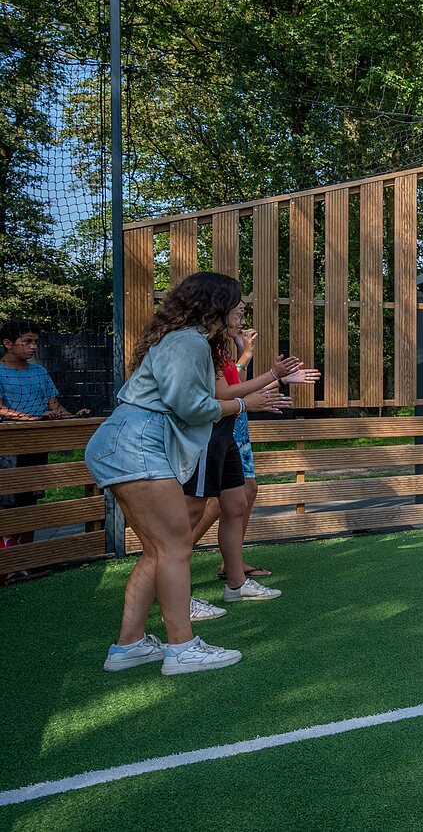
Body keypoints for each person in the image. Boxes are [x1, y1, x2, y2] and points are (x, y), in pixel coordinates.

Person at [85, 272, 290, 675]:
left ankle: (129, 646)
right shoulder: (188, 342)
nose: (242, 308)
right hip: (135, 446)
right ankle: (182, 649)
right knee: (176, 546)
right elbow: (193, 407)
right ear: (215, 305)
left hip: (130, 444)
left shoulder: (188, 341)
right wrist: (249, 405)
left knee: (159, 550)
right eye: (237, 302)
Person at [183, 331, 318, 620]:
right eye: (237, 309)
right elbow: (228, 392)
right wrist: (273, 375)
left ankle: (235, 579)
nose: (241, 316)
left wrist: (276, 377)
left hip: (230, 429)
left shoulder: (219, 347)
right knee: (200, 509)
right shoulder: (199, 344)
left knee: (239, 499)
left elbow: (235, 385)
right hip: (214, 429)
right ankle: (175, 576)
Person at [0, 319, 91, 547]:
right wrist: (34, 419)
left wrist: (73, 416)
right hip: (8, 447)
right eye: (27, 341)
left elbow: (53, 406)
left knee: (31, 499)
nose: (33, 347)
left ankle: (28, 558)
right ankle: (7, 562)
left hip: (37, 444)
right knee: (6, 500)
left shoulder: (40, 371)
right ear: (8, 343)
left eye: (35, 342)